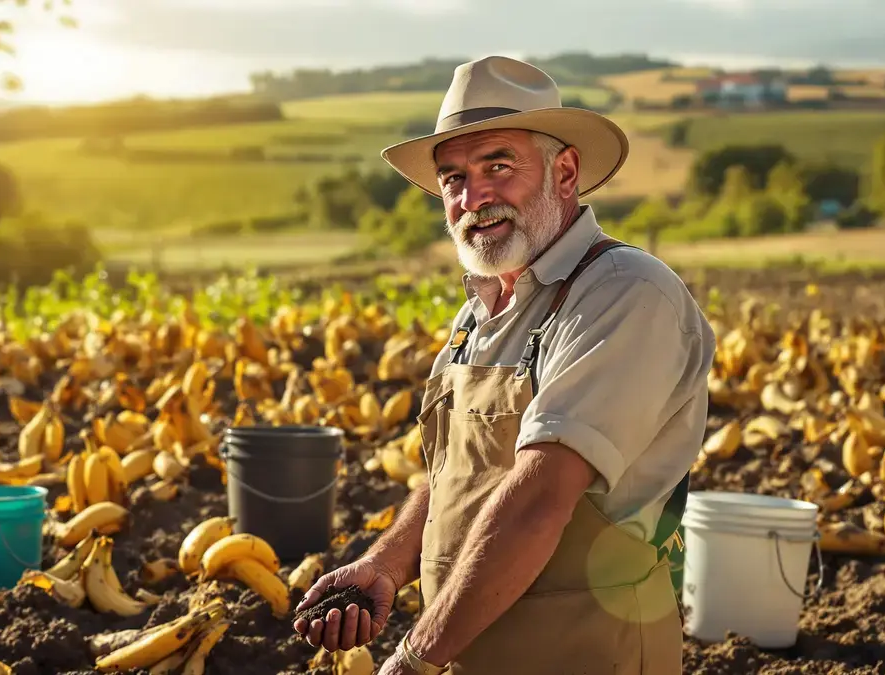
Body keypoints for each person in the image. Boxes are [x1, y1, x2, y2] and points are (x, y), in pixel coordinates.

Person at [291, 55, 716, 675]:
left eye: (498, 165)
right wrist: (386, 564)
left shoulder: (623, 292)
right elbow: (457, 478)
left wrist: (414, 658)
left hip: (584, 655)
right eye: (453, 178)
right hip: (470, 651)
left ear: (565, 172)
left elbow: (540, 496)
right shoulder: (484, 309)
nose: (474, 197)